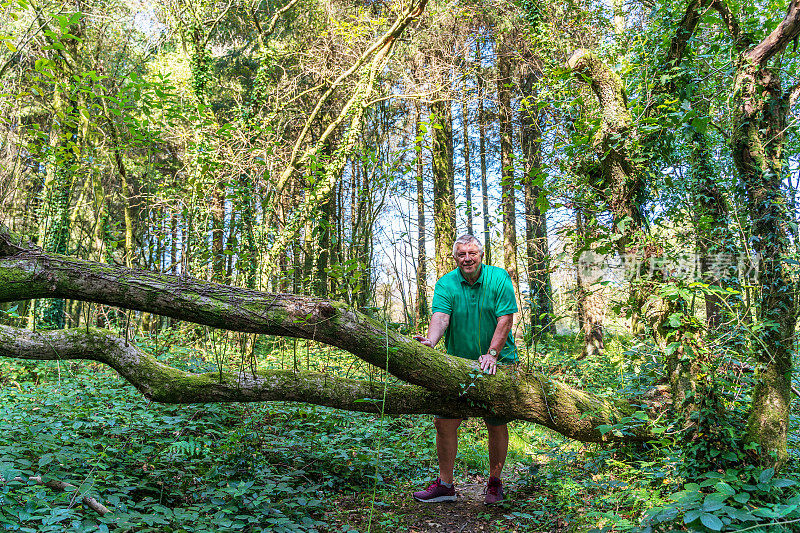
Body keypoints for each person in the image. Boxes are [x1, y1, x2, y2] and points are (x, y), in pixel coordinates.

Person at [412, 234, 518, 505]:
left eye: (472, 253)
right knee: (444, 421)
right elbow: (441, 316)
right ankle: (445, 485)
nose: (468, 258)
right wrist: (431, 341)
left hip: (498, 363)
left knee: (495, 422)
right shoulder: (446, 283)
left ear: (481, 255)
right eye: (462, 254)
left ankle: (495, 483)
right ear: (455, 258)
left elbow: (505, 318)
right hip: (457, 365)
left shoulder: (499, 278)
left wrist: (492, 354)